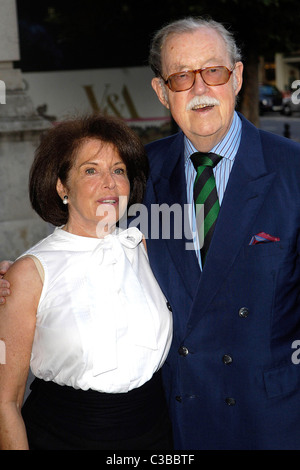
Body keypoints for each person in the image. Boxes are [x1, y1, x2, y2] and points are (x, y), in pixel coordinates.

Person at [2, 15, 300, 450]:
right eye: (181, 77)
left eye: (213, 71)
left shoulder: (293, 170)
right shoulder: (137, 175)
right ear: (162, 92)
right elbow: (81, 245)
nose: (199, 89)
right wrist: (16, 282)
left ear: (237, 77)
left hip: (271, 420)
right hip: (174, 423)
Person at [0, 114, 173, 450]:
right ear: (62, 186)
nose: (109, 183)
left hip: (155, 432)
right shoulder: (30, 273)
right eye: (91, 170)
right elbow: (6, 401)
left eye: (119, 170)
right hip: (65, 435)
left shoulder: (146, 249)